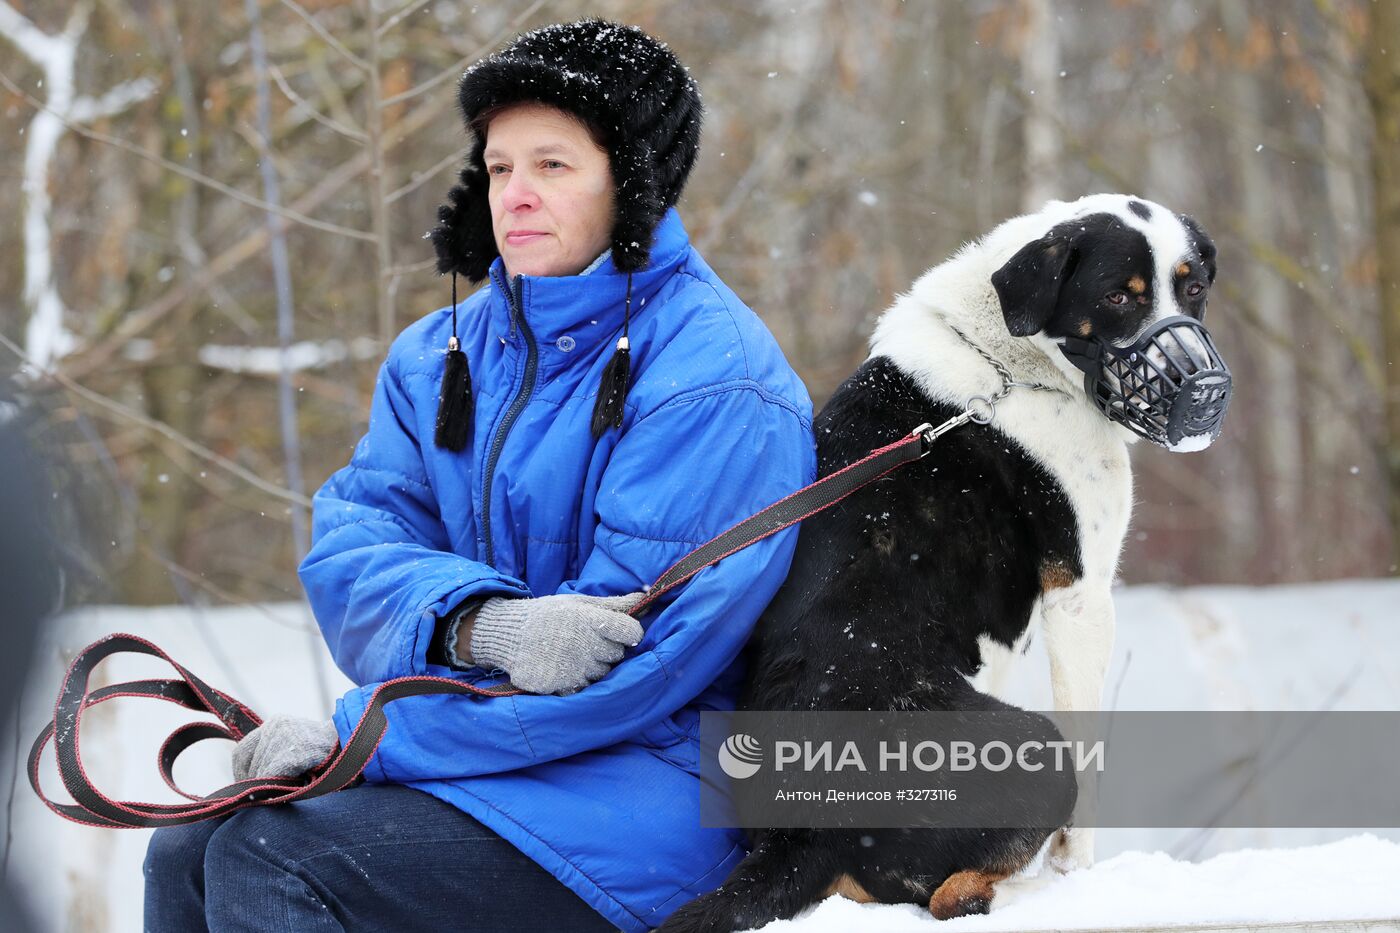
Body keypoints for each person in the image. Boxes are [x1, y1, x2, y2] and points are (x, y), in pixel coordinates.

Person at [142, 19, 816, 933]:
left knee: (279, 857)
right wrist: (473, 625)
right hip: (499, 761)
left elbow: (633, 663)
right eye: (499, 168)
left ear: (634, 181)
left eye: (554, 165)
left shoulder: (714, 373)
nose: (517, 195)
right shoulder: (436, 357)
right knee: (185, 847)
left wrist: (361, 742)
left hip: (660, 780)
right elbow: (353, 553)